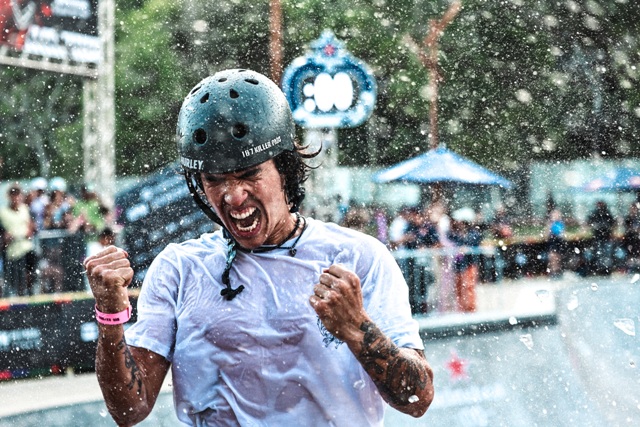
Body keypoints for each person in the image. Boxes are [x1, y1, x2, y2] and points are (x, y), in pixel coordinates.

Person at [84, 69, 434, 426]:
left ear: (285, 169)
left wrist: (357, 328)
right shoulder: (179, 268)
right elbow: (129, 411)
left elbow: (417, 399)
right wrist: (110, 317)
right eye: (214, 179)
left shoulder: (359, 257)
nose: (233, 197)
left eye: (250, 173)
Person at [0, 183, 37, 296]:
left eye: (17, 193)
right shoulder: (2, 212)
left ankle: (29, 292)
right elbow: (4, 234)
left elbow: (32, 228)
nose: (16, 197)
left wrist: (25, 232)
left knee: (31, 272)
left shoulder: (25, 209)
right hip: (12, 252)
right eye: (13, 194)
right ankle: (20, 295)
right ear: (9, 196)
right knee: (15, 280)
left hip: (26, 248)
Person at [546, 209, 565, 278]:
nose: (555, 216)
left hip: (558, 241)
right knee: (552, 257)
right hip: (553, 241)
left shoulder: (560, 223)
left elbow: (562, 233)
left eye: (557, 215)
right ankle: (553, 272)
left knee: (558, 257)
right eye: (554, 215)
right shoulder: (550, 223)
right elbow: (547, 233)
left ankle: (557, 271)